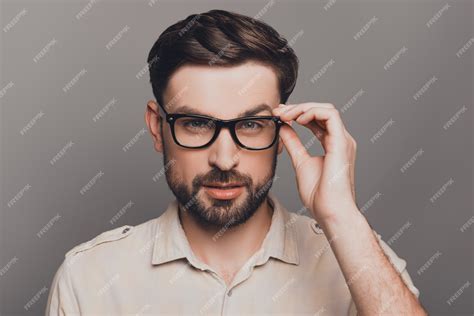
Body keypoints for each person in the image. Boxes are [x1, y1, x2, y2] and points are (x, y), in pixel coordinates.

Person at [45, 9, 427, 315]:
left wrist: (341, 216)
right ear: (157, 127)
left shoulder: (354, 257)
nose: (225, 159)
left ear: (282, 131)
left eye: (250, 124)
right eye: (195, 123)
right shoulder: (89, 279)